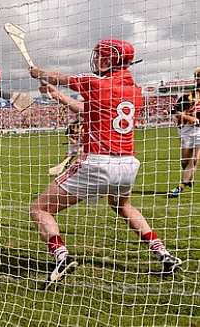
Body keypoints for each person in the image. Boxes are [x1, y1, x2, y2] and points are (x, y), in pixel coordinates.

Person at [29, 39, 181, 288]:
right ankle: (163, 253)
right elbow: (90, 110)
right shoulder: (135, 91)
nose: (97, 60)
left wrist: (39, 73)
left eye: (100, 56)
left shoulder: (94, 82)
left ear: (110, 59)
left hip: (98, 163)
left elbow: (59, 77)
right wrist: (56, 96)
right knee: (122, 206)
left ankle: (61, 256)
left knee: (40, 209)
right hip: (128, 165)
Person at [167, 67, 200, 197]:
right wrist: (189, 118)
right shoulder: (188, 96)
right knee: (185, 161)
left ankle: (181, 186)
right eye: (197, 76)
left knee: (195, 159)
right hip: (187, 130)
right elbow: (176, 112)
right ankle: (189, 178)